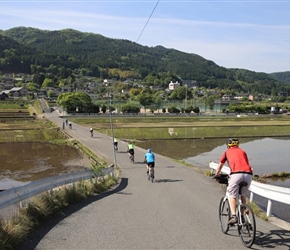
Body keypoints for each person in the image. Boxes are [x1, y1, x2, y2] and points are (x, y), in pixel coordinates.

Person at [215, 138, 253, 225]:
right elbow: (246, 164)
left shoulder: (226, 152)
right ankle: (243, 215)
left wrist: (217, 174)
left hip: (236, 174)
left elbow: (220, 165)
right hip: (248, 174)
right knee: (242, 194)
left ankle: (234, 216)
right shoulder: (243, 152)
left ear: (228, 145)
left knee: (232, 195)